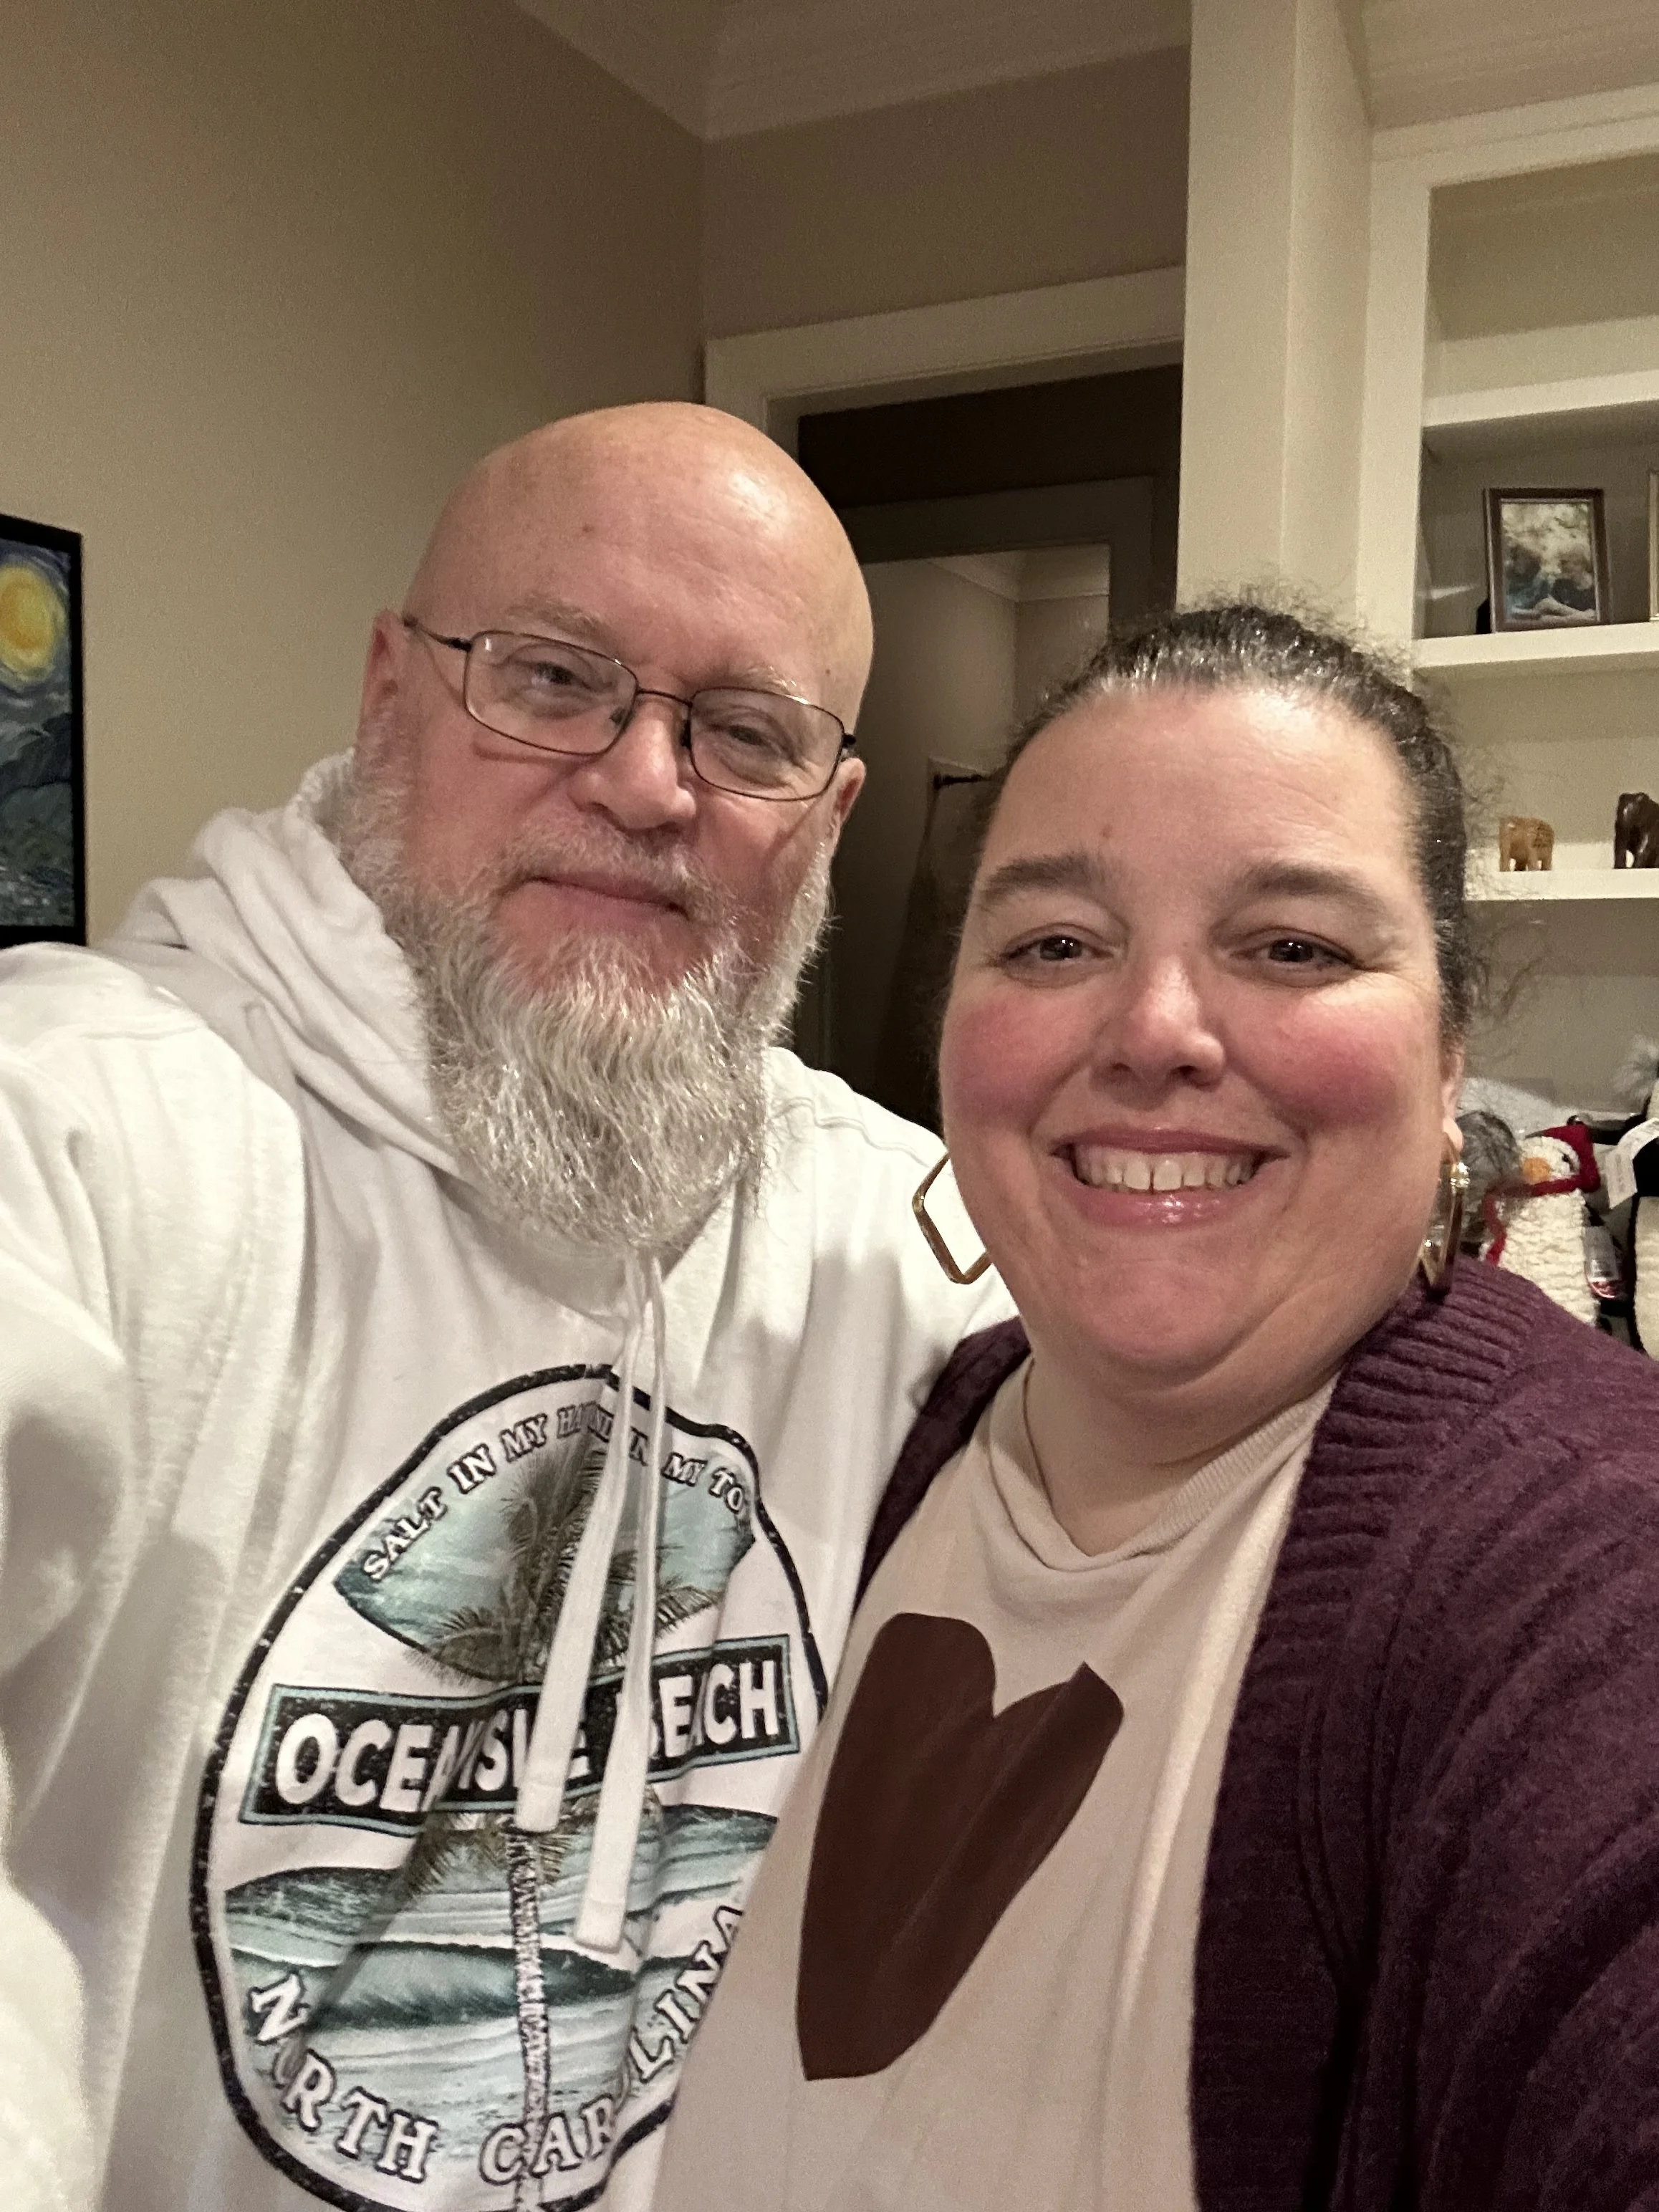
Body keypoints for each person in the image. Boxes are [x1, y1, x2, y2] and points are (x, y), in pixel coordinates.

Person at [0, 401, 1011, 2211]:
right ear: (390, 693)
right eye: (553, 678)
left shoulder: (902, 1236)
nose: (645, 781)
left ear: (833, 813)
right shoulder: (81, 1128)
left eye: (746, 731)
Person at [657, 602, 1659, 2212]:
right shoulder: (919, 1436)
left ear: (1453, 1041)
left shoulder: (1571, 1562)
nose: (1152, 1032)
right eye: (1056, 942)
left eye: (1293, 946)